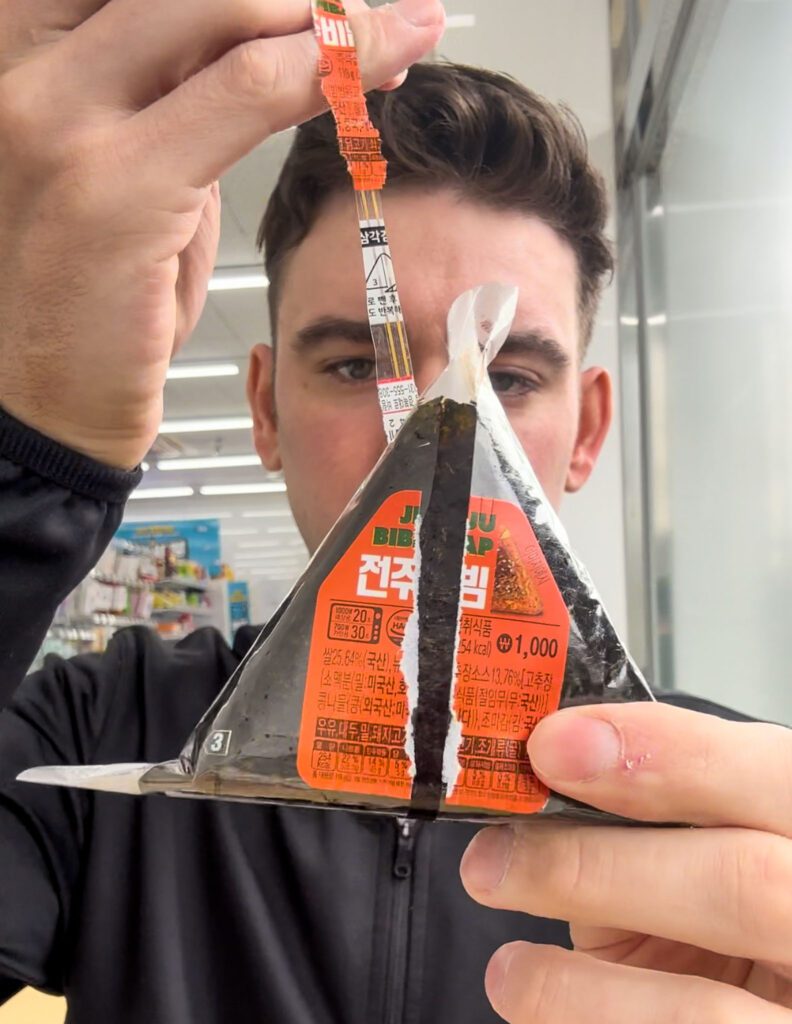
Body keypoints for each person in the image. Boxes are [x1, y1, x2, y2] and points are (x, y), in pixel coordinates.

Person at [1, 2, 790, 1022]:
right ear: (265, 409)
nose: (436, 442)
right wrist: (35, 454)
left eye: (504, 378)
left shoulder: (723, 822)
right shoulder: (95, 725)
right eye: (353, 364)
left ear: (588, 427)